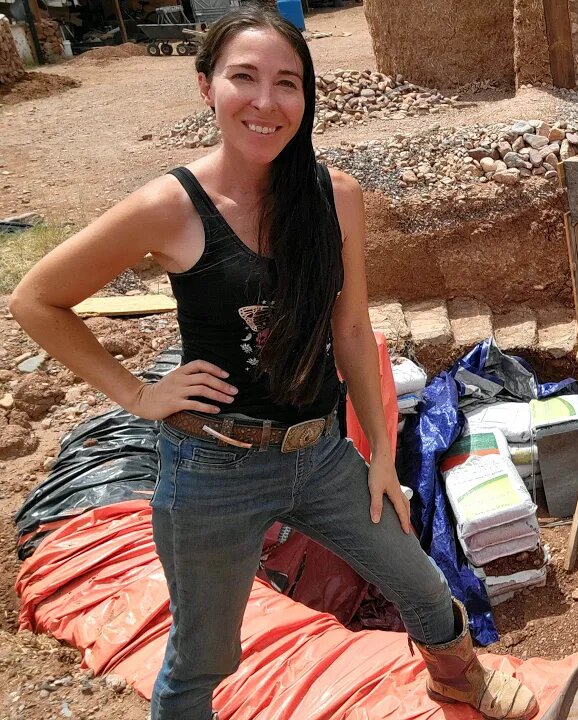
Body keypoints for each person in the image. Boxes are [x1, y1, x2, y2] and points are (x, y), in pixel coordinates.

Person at [9, 9, 535, 720]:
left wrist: (381, 454)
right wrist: (138, 395)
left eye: (287, 83)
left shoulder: (333, 196)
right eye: (244, 79)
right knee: (203, 655)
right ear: (207, 87)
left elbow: (349, 329)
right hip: (210, 471)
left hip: (320, 455)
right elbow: (38, 298)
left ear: (307, 97)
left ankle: (456, 680)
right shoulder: (172, 206)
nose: (266, 102)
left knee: (421, 584)